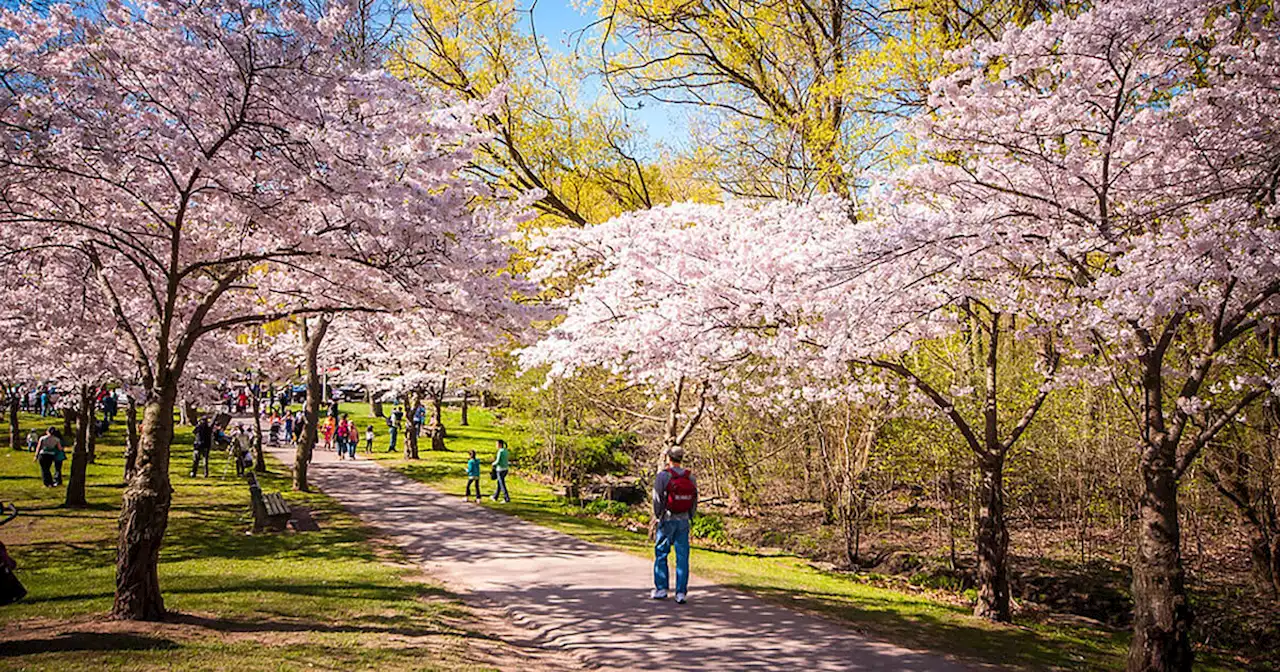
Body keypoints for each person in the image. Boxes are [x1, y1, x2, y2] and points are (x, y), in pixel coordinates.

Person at [651, 446, 697, 604]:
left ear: (668, 458)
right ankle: (681, 593)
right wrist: (690, 516)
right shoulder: (690, 477)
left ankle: (661, 589)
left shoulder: (663, 476)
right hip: (683, 520)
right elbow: (694, 500)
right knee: (682, 556)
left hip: (667, 519)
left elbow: (657, 498)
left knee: (661, 553)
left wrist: (658, 516)